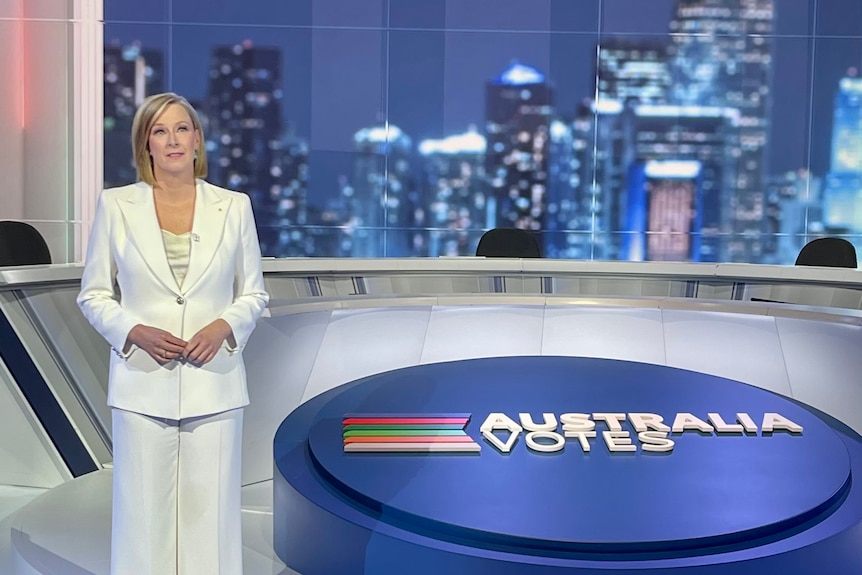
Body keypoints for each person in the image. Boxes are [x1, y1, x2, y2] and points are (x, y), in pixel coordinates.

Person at [77, 92, 269, 575]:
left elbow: (254, 294)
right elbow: (94, 294)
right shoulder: (117, 205)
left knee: (213, 518)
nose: (173, 140)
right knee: (143, 519)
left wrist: (224, 325)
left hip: (215, 380)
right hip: (143, 381)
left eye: (182, 128)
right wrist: (133, 329)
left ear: (198, 139)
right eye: (159, 131)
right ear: (146, 145)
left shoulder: (234, 206)